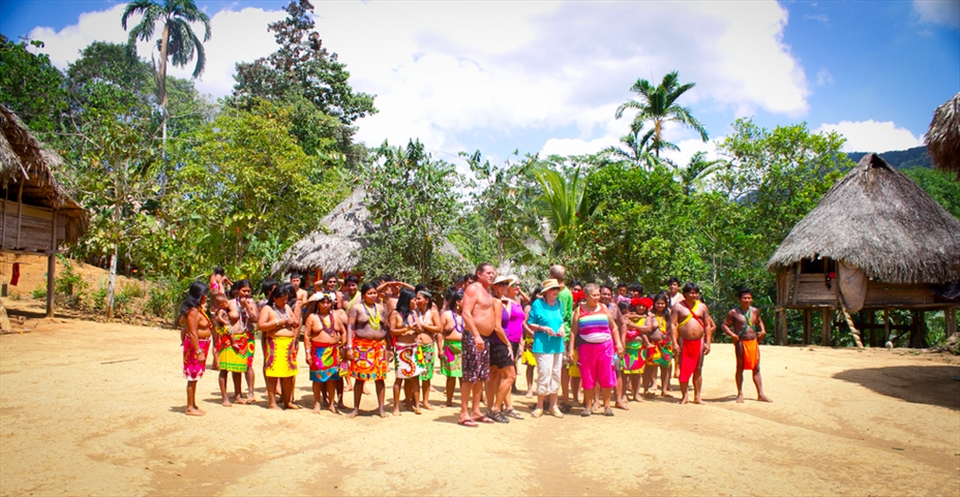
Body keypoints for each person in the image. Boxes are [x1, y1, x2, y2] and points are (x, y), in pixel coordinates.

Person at [458, 262, 498, 427]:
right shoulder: (473, 289)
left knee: (481, 376)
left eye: (493, 273)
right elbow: (466, 313)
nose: (491, 275)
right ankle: (463, 413)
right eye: (488, 273)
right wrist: (476, 335)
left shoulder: (487, 292)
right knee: (469, 376)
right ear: (479, 274)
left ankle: (476, 411)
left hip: (485, 339)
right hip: (473, 337)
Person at [346, 282, 391, 418]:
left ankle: (381, 409)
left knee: (380, 378)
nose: (373, 296)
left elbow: (386, 328)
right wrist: (349, 347)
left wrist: (389, 347)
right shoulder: (356, 308)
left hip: (379, 347)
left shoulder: (381, 308)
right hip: (362, 347)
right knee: (360, 378)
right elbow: (350, 327)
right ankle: (355, 408)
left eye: (374, 293)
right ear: (363, 295)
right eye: (369, 293)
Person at [721, 287, 772, 403]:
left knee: (756, 368)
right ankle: (740, 393)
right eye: (744, 298)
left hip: (753, 342)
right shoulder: (734, 312)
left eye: (749, 298)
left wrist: (763, 331)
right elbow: (724, 325)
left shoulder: (754, 311)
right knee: (740, 367)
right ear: (739, 299)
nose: (747, 300)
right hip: (741, 342)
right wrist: (732, 335)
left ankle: (760, 394)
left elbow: (759, 321)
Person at [527, 278, 566, 418]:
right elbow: (530, 323)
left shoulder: (559, 304)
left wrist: (562, 328)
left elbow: (562, 321)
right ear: (546, 291)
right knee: (544, 374)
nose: (555, 291)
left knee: (556, 375)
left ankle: (553, 406)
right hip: (543, 346)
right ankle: (540, 406)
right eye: (553, 289)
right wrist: (543, 328)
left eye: (557, 289)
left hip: (557, 345)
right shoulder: (538, 304)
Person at [257, 283, 300, 410]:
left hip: (288, 345)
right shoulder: (267, 309)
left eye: (286, 299)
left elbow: (296, 323)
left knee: (288, 374)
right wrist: (279, 322)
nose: (284, 301)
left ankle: (287, 401)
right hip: (275, 344)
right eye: (282, 299)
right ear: (274, 298)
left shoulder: (287, 307)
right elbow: (261, 326)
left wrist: (294, 322)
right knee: (273, 373)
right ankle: (272, 403)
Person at [669, 282, 713, 405]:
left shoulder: (702, 307)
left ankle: (697, 397)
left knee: (698, 368)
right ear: (685, 294)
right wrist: (674, 343)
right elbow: (673, 325)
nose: (694, 295)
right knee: (684, 368)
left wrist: (708, 342)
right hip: (683, 340)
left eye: (696, 293)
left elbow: (708, 325)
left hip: (699, 341)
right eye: (691, 293)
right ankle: (684, 396)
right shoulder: (678, 307)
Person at [486, 275, 519, 423]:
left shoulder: (495, 301)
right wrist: (508, 345)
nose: (504, 287)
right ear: (494, 286)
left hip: (493, 342)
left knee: (493, 376)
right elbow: (498, 327)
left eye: (506, 284)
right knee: (510, 376)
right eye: (501, 284)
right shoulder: (497, 302)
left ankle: (490, 409)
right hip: (500, 342)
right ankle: (496, 408)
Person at [304, 291, 343, 414]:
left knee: (332, 378)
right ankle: (317, 403)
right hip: (318, 351)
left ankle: (331, 403)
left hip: (333, 351)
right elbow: (306, 336)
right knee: (317, 378)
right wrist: (307, 353)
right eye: (323, 303)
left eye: (328, 303)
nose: (325, 305)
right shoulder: (312, 317)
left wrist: (344, 346)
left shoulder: (335, 316)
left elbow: (343, 331)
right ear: (318, 304)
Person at [390, 288, 425, 416]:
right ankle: (395, 407)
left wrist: (418, 329)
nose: (416, 302)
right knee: (399, 377)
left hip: (414, 347)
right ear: (407, 300)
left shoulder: (413, 313)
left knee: (415, 377)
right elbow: (392, 331)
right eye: (414, 299)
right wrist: (407, 328)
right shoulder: (395, 314)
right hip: (402, 348)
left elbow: (420, 330)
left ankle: (416, 405)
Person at [181, 281, 212, 416]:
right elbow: (192, 332)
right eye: (205, 294)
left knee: (195, 376)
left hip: (201, 345)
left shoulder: (196, 309)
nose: (206, 296)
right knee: (192, 375)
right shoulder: (193, 311)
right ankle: (189, 407)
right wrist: (198, 351)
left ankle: (193, 404)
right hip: (196, 346)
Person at [213, 292, 248, 407]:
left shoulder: (230, 307)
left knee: (238, 370)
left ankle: (238, 395)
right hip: (227, 340)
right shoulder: (221, 311)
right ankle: (224, 397)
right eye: (224, 302)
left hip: (240, 338)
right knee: (224, 370)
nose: (226, 303)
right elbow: (219, 319)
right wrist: (226, 323)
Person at [228, 280, 259, 403]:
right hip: (236, 337)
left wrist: (246, 306)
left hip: (248, 336)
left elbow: (255, 319)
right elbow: (221, 318)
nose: (246, 293)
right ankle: (237, 393)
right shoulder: (230, 303)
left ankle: (250, 392)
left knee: (248, 364)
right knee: (236, 366)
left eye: (248, 291)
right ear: (237, 291)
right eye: (243, 291)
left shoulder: (251, 303)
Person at [549, 265, 575, 411]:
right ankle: (550, 398)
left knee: (562, 368)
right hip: (558, 333)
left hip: (560, 334)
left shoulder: (562, 294)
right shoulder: (566, 292)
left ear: (552, 277)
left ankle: (565, 400)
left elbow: (561, 315)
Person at [600, 284, 629, 410]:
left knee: (617, 371)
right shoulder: (593, 307)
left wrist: (622, 342)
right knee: (597, 373)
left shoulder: (614, 307)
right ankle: (596, 401)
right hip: (596, 345)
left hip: (612, 345)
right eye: (603, 294)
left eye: (608, 294)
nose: (606, 296)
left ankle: (618, 400)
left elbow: (623, 324)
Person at [642, 292, 674, 397]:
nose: (660, 305)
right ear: (654, 303)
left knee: (665, 367)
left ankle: (664, 390)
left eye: (662, 303)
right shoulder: (650, 314)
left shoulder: (669, 314)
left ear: (666, 304)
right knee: (649, 367)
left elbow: (672, 327)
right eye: (658, 303)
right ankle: (646, 389)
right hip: (653, 343)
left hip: (665, 344)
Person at [414, 287, 441, 411]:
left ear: (427, 300)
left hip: (428, 347)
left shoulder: (433, 313)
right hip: (415, 347)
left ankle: (425, 402)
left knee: (426, 376)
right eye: (416, 298)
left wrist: (423, 325)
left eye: (419, 298)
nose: (417, 301)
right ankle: (414, 402)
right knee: (414, 375)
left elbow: (439, 328)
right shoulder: (414, 312)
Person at [620, 296, 650, 403]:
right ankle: (623, 394)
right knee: (624, 372)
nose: (641, 308)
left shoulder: (647, 318)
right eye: (639, 305)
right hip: (626, 348)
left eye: (643, 306)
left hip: (639, 349)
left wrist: (632, 325)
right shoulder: (627, 315)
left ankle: (636, 394)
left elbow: (648, 329)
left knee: (637, 372)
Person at [440, 287, 464, 407]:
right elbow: (439, 332)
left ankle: (464, 402)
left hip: (464, 347)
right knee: (450, 376)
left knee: (463, 376)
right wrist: (440, 348)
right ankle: (449, 400)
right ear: (457, 302)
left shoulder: (467, 315)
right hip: (450, 347)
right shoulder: (446, 314)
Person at [520, 286, 541, 398]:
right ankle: (529, 389)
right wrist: (531, 333)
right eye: (538, 294)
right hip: (531, 338)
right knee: (530, 365)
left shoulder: (546, 306)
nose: (540, 296)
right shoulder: (529, 307)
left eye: (542, 294)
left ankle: (540, 389)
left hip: (542, 339)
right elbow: (524, 323)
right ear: (534, 295)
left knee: (542, 366)